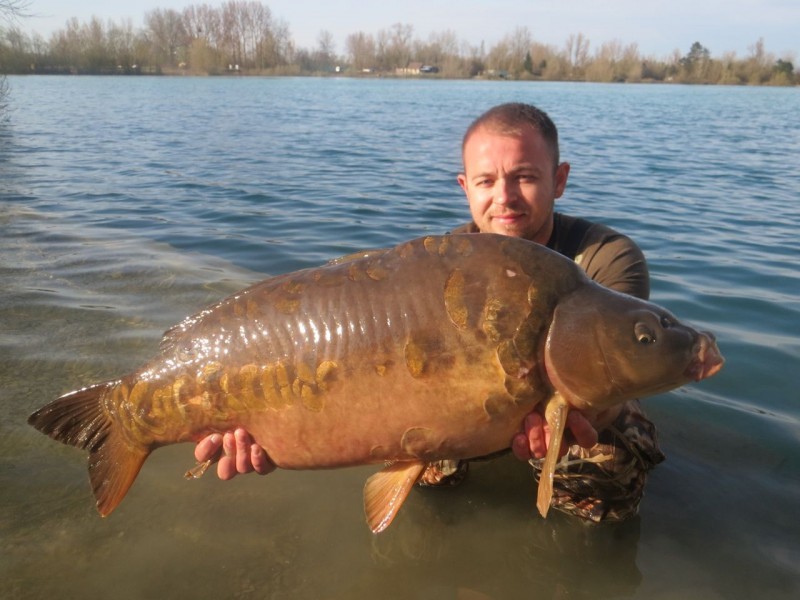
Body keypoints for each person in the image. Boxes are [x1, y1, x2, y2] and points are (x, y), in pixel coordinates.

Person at [193, 102, 664, 522]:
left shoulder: (606, 257)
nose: (504, 197)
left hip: (571, 408)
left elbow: (614, 366)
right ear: (465, 187)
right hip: (469, 403)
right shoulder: (443, 263)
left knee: (597, 462)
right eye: (486, 181)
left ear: (558, 180)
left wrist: (591, 413)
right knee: (425, 457)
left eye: (524, 176)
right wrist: (285, 431)